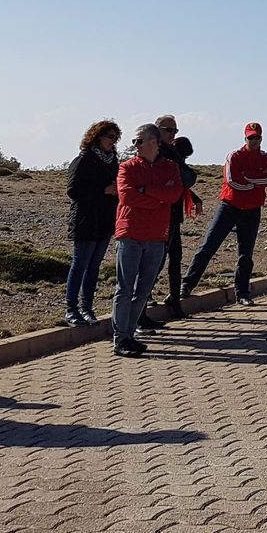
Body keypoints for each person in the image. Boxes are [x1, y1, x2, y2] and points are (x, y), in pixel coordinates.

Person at [182, 122, 267, 305]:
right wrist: (256, 182)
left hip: (252, 210)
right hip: (229, 206)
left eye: (257, 137)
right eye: (251, 137)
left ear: (261, 138)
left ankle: (242, 293)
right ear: (245, 138)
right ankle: (187, 284)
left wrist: (249, 178)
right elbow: (233, 181)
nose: (254, 140)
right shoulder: (234, 156)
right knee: (208, 245)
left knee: (246, 254)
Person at [113, 124, 185, 358]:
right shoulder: (127, 168)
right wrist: (157, 198)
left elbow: (174, 195)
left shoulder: (171, 168)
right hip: (130, 234)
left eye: (139, 141)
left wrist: (147, 190)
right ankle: (120, 338)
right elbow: (127, 196)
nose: (135, 146)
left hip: (156, 236)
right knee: (124, 289)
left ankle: (130, 334)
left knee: (142, 291)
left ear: (154, 142)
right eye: (134, 141)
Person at [64, 119, 121, 327]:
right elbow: (73, 191)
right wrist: (102, 191)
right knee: (80, 264)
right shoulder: (83, 160)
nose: (113, 142)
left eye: (116, 138)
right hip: (86, 220)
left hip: (105, 220)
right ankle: (71, 310)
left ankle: (87, 308)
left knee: (94, 266)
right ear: (97, 137)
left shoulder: (113, 160)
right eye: (110, 137)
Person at [154, 114, 202, 321]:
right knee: (158, 257)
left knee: (175, 256)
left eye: (175, 131)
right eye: (168, 130)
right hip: (160, 214)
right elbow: (184, 177)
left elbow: (185, 178)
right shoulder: (157, 153)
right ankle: (145, 297)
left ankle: (174, 298)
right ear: (157, 130)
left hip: (173, 213)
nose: (172, 134)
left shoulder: (171, 151)